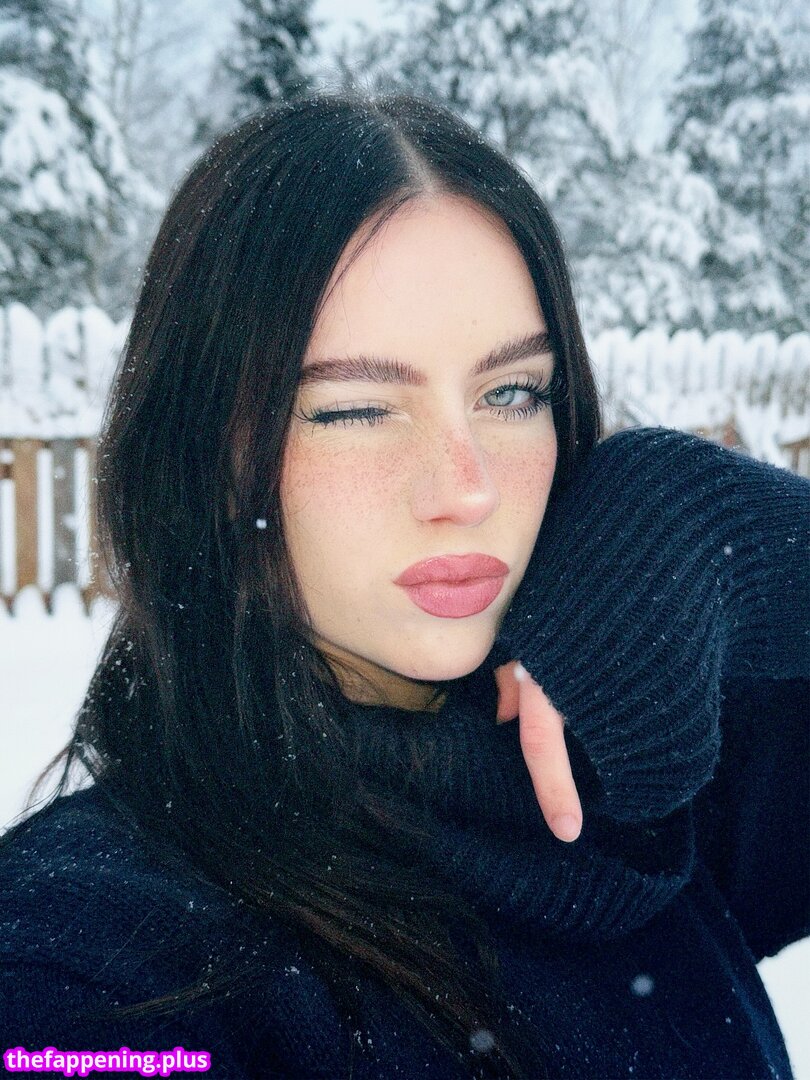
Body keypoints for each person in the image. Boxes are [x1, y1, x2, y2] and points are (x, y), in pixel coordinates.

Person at [0, 89, 807, 1080]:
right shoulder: (89, 964)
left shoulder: (636, 773)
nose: (467, 488)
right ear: (205, 449)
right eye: (354, 409)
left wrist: (741, 540)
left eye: (511, 392)